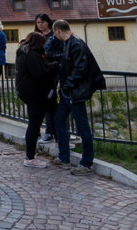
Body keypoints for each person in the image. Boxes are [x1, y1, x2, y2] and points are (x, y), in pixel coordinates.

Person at [51, 19, 106, 175]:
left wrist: (67, 85)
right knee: (59, 120)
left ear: (58, 30)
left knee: (83, 127)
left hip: (74, 93)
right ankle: (64, 158)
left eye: (55, 32)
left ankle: (87, 163)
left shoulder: (76, 44)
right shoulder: (69, 44)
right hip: (68, 92)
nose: (55, 35)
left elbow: (80, 69)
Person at [15, 32, 59, 168]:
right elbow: (40, 75)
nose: (44, 45)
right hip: (36, 93)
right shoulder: (32, 55)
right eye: (43, 43)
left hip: (31, 91)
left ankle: (59, 141)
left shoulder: (23, 53)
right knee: (34, 124)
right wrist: (55, 66)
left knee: (55, 113)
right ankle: (29, 157)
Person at [34, 14, 65, 145]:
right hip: (40, 72)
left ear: (47, 22)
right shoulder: (36, 35)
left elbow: (62, 53)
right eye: (38, 22)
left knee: (50, 101)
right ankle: (37, 131)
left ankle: (50, 132)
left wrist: (47, 55)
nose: (40, 24)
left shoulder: (54, 36)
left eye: (42, 22)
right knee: (39, 102)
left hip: (53, 71)